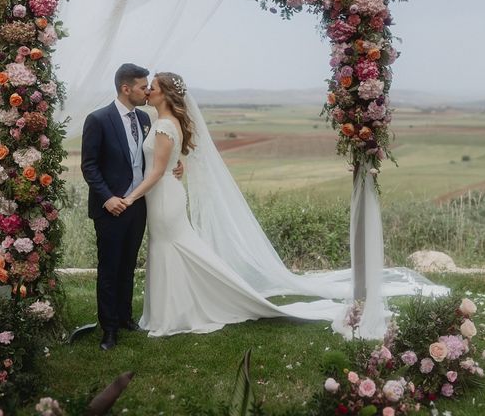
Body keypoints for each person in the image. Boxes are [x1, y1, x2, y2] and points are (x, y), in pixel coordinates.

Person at [120, 72, 349, 336]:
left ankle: (173, 314)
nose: (148, 91)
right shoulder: (165, 122)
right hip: (165, 194)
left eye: (154, 87)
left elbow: (158, 172)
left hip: (163, 197)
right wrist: (175, 166)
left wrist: (130, 197)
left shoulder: (164, 125)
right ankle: (172, 310)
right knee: (171, 248)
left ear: (166, 94)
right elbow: (169, 162)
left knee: (169, 248)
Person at [81, 63, 182, 350]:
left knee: (127, 266)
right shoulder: (98, 119)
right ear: (126, 89)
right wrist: (107, 198)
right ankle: (109, 329)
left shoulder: (146, 119)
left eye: (149, 86)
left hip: (138, 206)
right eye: (142, 87)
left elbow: (159, 155)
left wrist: (177, 164)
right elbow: (89, 166)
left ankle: (125, 318)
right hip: (111, 207)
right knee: (110, 268)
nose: (147, 91)